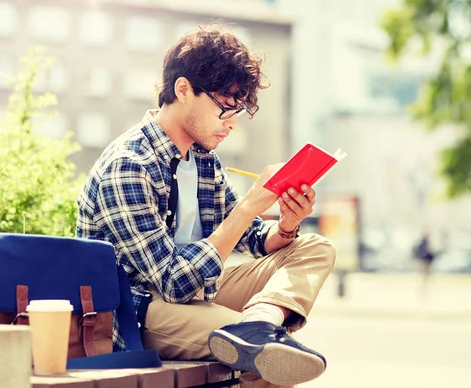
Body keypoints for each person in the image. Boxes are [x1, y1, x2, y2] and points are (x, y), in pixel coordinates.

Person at [76, 23, 336, 387]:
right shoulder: (129, 165)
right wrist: (247, 207)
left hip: (199, 289)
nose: (231, 125)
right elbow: (172, 282)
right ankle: (254, 334)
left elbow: (250, 237)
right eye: (224, 108)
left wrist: (286, 225)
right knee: (271, 356)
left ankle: (259, 321)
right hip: (138, 309)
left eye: (238, 111)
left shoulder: (202, 160)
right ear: (183, 89)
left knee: (314, 247)